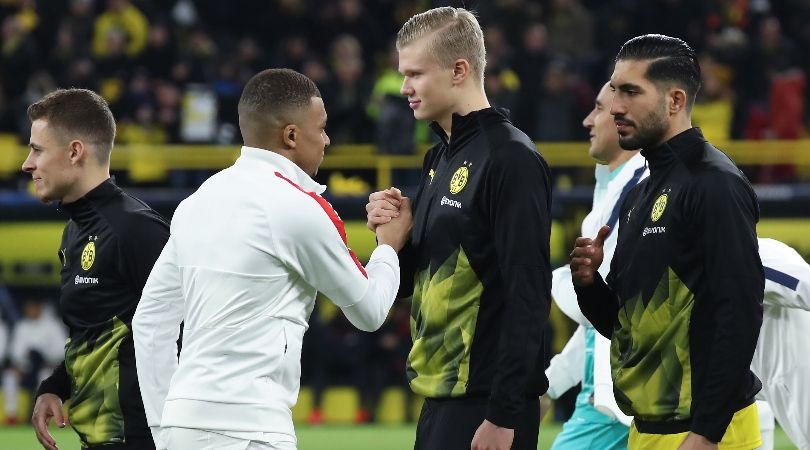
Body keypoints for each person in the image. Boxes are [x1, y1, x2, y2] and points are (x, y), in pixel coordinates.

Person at [131, 68, 412, 450]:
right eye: (323, 127)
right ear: (291, 135)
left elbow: (150, 321)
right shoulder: (299, 208)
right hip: (252, 429)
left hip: (182, 424)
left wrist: (165, 427)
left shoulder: (195, 202)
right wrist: (387, 246)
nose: (327, 140)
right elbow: (369, 311)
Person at [366, 7, 552, 450]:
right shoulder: (439, 158)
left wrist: (503, 415)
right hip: (440, 397)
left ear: (459, 70)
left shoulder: (512, 159)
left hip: (485, 407)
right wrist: (394, 239)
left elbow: (528, 293)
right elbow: (417, 281)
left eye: (415, 74)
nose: (404, 88)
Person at [570, 34, 764, 450]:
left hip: (708, 431)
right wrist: (589, 287)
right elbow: (627, 329)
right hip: (648, 428)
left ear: (675, 101)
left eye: (631, 92)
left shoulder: (715, 184)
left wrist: (707, 432)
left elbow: (740, 312)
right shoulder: (642, 193)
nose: (616, 106)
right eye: (615, 90)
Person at [22, 88, 170, 450]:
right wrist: (56, 387)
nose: (27, 163)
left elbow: (194, 330)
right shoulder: (74, 231)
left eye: (37, 149)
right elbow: (99, 331)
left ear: (75, 152)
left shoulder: (136, 230)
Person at [544, 81, 645, 450]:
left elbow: (613, 308)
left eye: (599, 109)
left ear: (623, 119)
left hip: (621, 392)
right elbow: (598, 321)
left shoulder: (639, 187)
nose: (588, 120)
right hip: (607, 392)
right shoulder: (613, 188)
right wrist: (551, 384)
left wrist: (547, 280)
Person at [3, 299, 67, 425]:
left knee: (45, 376)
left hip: (48, 366)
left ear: (39, 308)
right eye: (28, 308)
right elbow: (15, 352)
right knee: (9, 377)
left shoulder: (53, 325)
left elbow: (62, 350)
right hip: (26, 367)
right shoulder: (21, 326)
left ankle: (43, 415)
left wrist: (44, 355)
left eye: (32, 307)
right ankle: (12, 417)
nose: (30, 311)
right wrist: (21, 364)